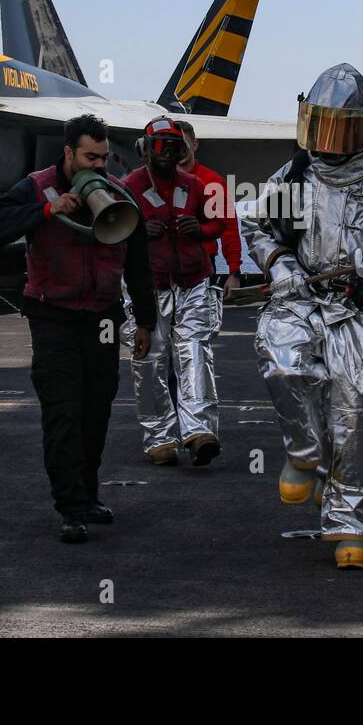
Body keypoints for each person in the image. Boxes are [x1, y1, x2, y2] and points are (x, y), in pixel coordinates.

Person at [242, 64, 363, 570]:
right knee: (283, 363)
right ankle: (305, 453)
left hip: (362, 309)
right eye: (321, 124)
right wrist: (280, 264)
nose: (329, 139)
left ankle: (353, 525)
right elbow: (258, 224)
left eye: (341, 126)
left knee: (357, 416)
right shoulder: (293, 174)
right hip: (302, 300)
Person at [0, 114, 156, 544]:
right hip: (53, 317)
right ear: (68, 153)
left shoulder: (120, 193)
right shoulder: (36, 186)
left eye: (103, 157)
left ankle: (89, 494)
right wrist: (46, 210)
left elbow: (138, 265)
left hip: (102, 318)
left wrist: (147, 321)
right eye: (88, 157)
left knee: (95, 411)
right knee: (63, 411)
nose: (98, 165)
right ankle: (71, 508)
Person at [121, 118, 225, 467]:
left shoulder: (194, 185)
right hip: (149, 285)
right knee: (150, 359)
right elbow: (109, 232)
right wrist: (137, 230)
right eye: (160, 146)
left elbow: (218, 225)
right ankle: (159, 438)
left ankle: (198, 432)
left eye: (173, 146)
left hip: (193, 282)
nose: (167, 153)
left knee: (195, 354)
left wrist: (201, 229)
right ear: (146, 150)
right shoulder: (128, 187)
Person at [176, 120, 243, 299]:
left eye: (185, 144)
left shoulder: (213, 182)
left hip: (202, 268)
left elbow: (229, 228)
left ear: (195, 145)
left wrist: (234, 272)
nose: (180, 149)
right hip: (165, 268)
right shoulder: (157, 181)